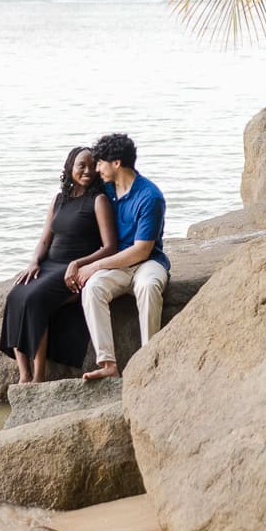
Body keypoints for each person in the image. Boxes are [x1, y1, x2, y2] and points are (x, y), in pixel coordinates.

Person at [0, 146, 118, 383]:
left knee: (34, 300)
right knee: (15, 296)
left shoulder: (98, 200)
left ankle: (38, 377)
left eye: (92, 166)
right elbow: (45, 239)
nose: (86, 170)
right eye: (80, 165)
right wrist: (34, 262)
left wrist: (78, 263)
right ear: (70, 168)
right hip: (50, 264)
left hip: (74, 269)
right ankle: (24, 375)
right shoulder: (59, 200)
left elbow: (110, 247)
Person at [69, 133, 169, 381]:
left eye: (100, 162)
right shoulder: (106, 189)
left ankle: (149, 359)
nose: (96, 168)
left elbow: (141, 250)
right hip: (118, 267)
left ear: (116, 163)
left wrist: (95, 265)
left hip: (148, 263)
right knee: (92, 288)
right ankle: (108, 364)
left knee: (148, 286)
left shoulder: (150, 197)